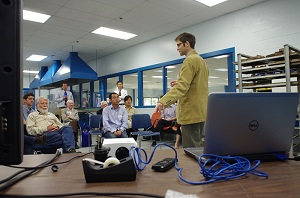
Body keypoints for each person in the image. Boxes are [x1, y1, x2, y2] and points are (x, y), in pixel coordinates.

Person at [155, 32, 209, 148]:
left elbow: (182, 87)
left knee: (192, 149)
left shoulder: (189, 60)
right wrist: (179, 82)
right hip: (200, 111)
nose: (177, 48)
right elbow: (196, 85)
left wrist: (163, 101)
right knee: (198, 146)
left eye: (179, 45)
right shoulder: (201, 61)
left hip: (190, 113)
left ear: (187, 44)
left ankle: (197, 167)